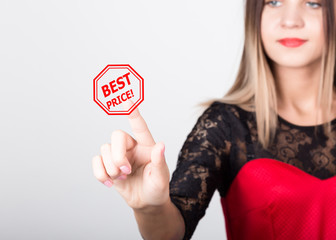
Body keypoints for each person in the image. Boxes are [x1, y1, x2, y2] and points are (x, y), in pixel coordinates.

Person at [92, 0, 336, 239]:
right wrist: (149, 207)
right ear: (255, 14)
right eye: (273, 2)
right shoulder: (224, 125)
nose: (290, 21)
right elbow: (170, 233)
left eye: (314, 3)